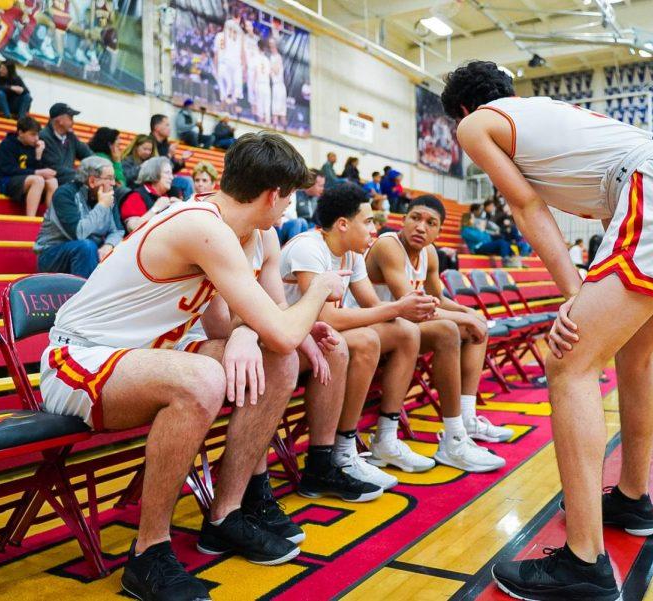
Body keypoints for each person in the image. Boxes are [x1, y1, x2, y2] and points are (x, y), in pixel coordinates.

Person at [442, 60, 653, 599]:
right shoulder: (552, 117)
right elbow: (612, 218)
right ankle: (631, 497)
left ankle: (583, 562)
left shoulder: (476, 123)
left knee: (568, 363)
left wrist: (573, 295)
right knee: (634, 351)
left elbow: (526, 205)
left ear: (463, 109)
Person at [39, 132, 348, 599]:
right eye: (289, 198)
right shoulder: (201, 227)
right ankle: (148, 554)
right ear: (271, 195)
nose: (289, 210)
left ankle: (227, 513)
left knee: (278, 361)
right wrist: (319, 289)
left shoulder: (237, 229)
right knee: (205, 377)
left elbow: (236, 324)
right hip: (78, 360)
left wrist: (253, 334)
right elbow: (282, 325)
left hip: (143, 357)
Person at [282, 183, 439, 489]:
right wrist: (397, 307)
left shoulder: (351, 255)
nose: (374, 228)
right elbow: (326, 317)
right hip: (289, 340)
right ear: (343, 224)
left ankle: (387, 437)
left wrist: (410, 309)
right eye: (367, 222)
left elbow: (373, 305)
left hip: (320, 338)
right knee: (367, 340)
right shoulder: (309, 247)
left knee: (407, 332)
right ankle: (343, 450)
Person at [358, 195, 512, 471]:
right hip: (367, 324)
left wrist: (471, 314)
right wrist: (463, 319)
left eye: (431, 223)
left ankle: (466, 419)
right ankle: (453, 439)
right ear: (403, 220)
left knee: (476, 326)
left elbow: (437, 298)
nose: (421, 227)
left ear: (439, 232)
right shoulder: (388, 246)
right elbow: (414, 307)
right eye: (415, 218)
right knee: (446, 330)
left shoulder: (429, 254)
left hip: (401, 326)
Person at [34, 156, 124, 278]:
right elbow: (79, 233)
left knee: (122, 249)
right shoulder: (65, 194)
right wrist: (102, 205)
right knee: (86, 247)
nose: (113, 183)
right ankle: (87, 296)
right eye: (109, 178)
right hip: (52, 254)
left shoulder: (108, 196)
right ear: (92, 181)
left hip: (91, 252)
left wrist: (109, 245)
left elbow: (117, 231)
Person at [0, 116, 58, 217]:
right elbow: (7, 169)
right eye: (32, 135)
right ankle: (30, 219)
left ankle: (51, 220)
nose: (36, 138)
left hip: (26, 180)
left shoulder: (34, 147)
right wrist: (36, 173)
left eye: (37, 135)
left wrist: (38, 155)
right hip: (6, 180)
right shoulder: (6, 145)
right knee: (38, 180)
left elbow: (35, 169)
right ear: (20, 133)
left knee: (52, 181)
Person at [119, 157, 183, 233]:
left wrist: (181, 208)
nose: (171, 177)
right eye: (167, 173)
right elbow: (133, 228)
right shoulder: (135, 196)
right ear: (154, 173)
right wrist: (155, 209)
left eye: (171, 173)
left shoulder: (172, 195)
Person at [40, 102, 93, 185]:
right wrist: (81, 175)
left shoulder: (71, 137)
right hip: (53, 180)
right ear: (59, 120)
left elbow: (88, 154)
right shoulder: (43, 137)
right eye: (70, 118)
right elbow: (54, 168)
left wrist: (100, 166)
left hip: (69, 178)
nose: (73, 122)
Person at [150, 113, 194, 199]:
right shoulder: (149, 143)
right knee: (187, 182)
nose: (170, 128)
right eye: (167, 125)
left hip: (167, 177)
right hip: (156, 179)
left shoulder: (166, 144)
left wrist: (182, 160)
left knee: (188, 180)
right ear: (157, 127)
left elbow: (172, 169)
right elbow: (155, 168)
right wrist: (169, 155)